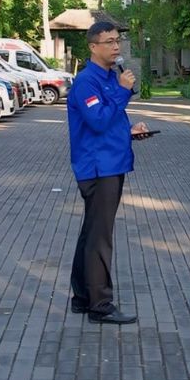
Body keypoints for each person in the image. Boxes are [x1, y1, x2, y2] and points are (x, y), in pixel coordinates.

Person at [66, 21, 150, 325]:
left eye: (117, 41)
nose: (116, 47)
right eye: (109, 41)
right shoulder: (87, 81)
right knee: (100, 237)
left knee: (91, 233)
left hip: (110, 162)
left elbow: (108, 123)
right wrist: (123, 92)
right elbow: (99, 120)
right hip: (99, 169)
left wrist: (128, 131)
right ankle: (100, 306)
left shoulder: (108, 78)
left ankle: (82, 297)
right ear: (93, 47)